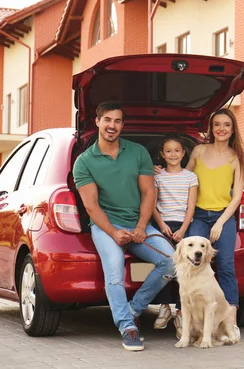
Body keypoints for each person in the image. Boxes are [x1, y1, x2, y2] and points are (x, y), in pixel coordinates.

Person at [73, 101, 175, 351]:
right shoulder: (84, 162)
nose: (112, 125)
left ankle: (133, 309)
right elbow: (92, 207)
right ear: (97, 122)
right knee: (115, 270)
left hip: (139, 223)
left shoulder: (137, 152)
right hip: (106, 226)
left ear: (122, 125)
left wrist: (141, 226)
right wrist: (114, 232)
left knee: (172, 260)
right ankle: (127, 327)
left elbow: (148, 191)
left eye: (117, 121)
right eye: (107, 120)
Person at [159, 108, 244, 340]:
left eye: (226, 125)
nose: (221, 128)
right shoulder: (199, 150)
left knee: (226, 266)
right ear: (211, 128)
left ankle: (231, 321)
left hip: (223, 216)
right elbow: (182, 177)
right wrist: (159, 172)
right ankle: (183, 316)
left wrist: (219, 223)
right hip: (198, 216)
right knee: (190, 265)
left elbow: (237, 196)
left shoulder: (236, 157)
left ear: (232, 129)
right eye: (217, 124)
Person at [151, 135, 198, 330]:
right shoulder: (157, 176)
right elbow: (152, 205)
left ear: (183, 153)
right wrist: (161, 225)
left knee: (184, 270)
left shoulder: (190, 177)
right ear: (162, 154)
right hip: (164, 225)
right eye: (168, 151)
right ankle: (164, 307)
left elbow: (191, 206)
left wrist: (184, 229)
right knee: (164, 266)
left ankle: (180, 311)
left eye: (177, 150)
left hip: (183, 225)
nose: (173, 154)